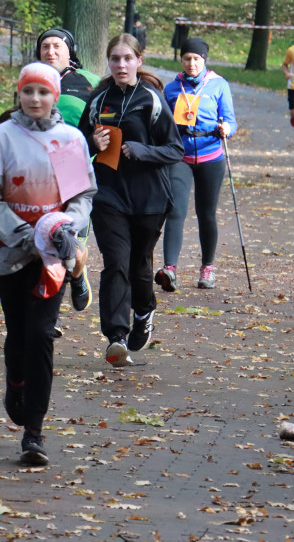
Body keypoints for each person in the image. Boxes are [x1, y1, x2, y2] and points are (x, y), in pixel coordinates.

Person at [0, 62, 96, 466]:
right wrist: (27, 234)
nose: (36, 99)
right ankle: (15, 384)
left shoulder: (68, 140)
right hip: (10, 252)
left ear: (55, 96)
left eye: (44, 92)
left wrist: (66, 228)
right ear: (19, 94)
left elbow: (81, 198)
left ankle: (34, 432)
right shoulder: (2, 138)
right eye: (29, 92)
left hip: (54, 254)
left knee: (42, 334)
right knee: (20, 332)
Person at [78, 34, 183, 368]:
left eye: (127, 58)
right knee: (116, 263)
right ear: (107, 62)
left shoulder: (152, 98)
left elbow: (175, 149)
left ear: (139, 60)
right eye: (114, 59)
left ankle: (144, 311)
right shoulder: (98, 99)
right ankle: (116, 338)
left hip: (149, 197)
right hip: (108, 195)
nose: (121, 65)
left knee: (139, 267)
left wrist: (144, 150)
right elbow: (77, 145)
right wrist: (91, 141)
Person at [155, 37, 237, 292]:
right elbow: (162, 123)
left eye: (197, 59)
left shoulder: (218, 85)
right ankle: (170, 269)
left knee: (206, 213)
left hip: (211, 155)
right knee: (175, 210)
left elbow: (231, 120)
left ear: (204, 60)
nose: (192, 63)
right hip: (180, 156)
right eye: (187, 58)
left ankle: (207, 268)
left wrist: (227, 128)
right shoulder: (171, 88)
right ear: (181, 60)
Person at [34, 28, 100, 325]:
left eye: (57, 46)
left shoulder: (90, 82)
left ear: (70, 51)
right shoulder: (32, 78)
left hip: (75, 167)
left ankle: (77, 273)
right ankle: (50, 317)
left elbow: (103, 122)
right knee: (44, 242)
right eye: (45, 46)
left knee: (71, 244)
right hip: (39, 170)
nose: (50, 51)